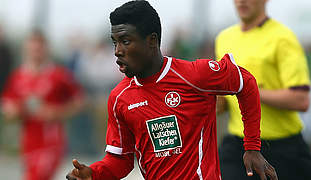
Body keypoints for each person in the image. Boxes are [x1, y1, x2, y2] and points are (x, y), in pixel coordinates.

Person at [66, 1, 277, 180]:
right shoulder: (119, 98)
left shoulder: (195, 76)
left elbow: (245, 83)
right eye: (115, 42)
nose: (117, 51)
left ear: (152, 41)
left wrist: (251, 147)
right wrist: (94, 173)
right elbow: (120, 159)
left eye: (126, 41)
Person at [215, 0, 311, 180]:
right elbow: (224, 99)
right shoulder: (224, 38)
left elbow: (301, 99)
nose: (241, 1)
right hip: (239, 147)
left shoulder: (283, 38)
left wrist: (249, 91)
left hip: (283, 149)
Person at [1, 31, 83, 180]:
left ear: (46, 49)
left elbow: (79, 101)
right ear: (25, 50)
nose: (35, 53)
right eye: (32, 49)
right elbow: (7, 106)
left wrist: (58, 112)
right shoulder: (18, 76)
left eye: (39, 49)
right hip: (28, 141)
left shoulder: (58, 75)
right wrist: (14, 111)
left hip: (51, 141)